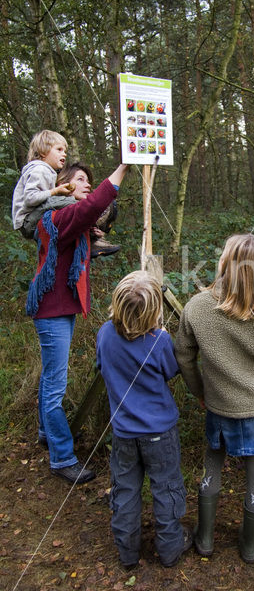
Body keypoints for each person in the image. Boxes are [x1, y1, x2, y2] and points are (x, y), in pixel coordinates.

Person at [175, 234, 254, 563]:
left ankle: (206, 538)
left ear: (224, 264)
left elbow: (183, 356)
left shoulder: (197, 307)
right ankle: (250, 544)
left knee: (211, 468)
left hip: (219, 405)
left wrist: (200, 392)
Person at [27, 160, 130, 484]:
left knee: (49, 379)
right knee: (55, 387)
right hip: (53, 312)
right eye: (81, 179)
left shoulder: (61, 221)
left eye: (90, 180)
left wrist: (92, 236)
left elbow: (79, 238)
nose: (87, 184)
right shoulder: (59, 216)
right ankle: (62, 457)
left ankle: (46, 432)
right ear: (63, 185)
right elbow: (93, 205)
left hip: (57, 310)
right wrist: (124, 167)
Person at [96, 271, 192, 569]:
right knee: (166, 487)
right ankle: (170, 545)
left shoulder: (104, 334)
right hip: (160, 433)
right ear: (154, 311)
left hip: (123, 432)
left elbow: (101, 365)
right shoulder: (160, 340)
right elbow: (171, 370)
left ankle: (127, 551)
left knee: (125, 489)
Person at [12, 129, 119, 257]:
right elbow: (30, 198)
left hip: (34, 219)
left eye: (65, 151)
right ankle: (95, 216)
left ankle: (92, 237)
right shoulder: (40, 170)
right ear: (43, 151)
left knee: (64, 203)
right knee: (69, 203)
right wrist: (56, 191)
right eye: (59, 150)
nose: (64, 154)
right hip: (28, 220)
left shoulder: (47, 171)